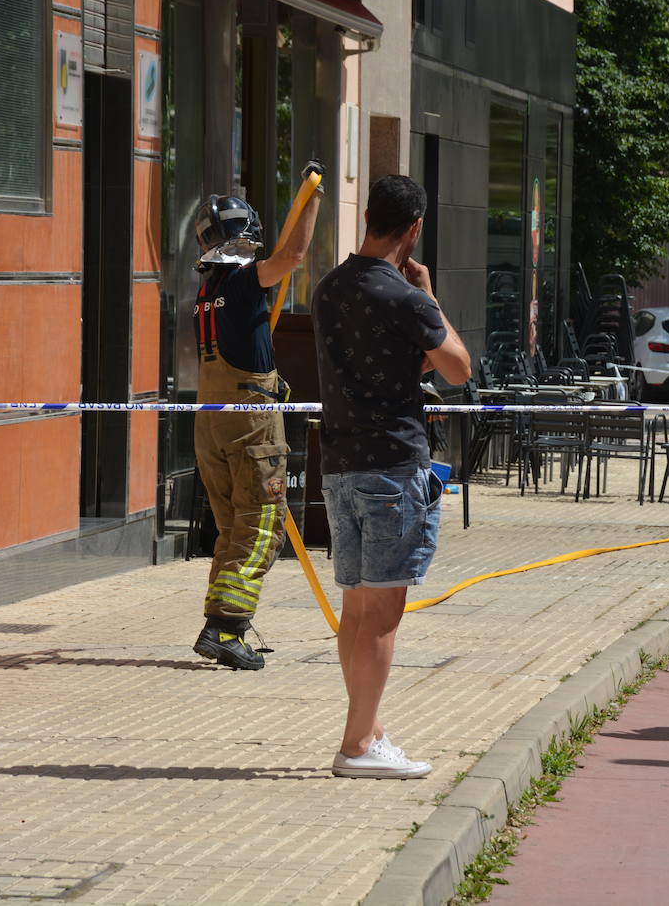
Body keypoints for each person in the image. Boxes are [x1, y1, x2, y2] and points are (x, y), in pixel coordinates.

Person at [313, 174, 471, 779]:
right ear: (414, 228)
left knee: (356, 610)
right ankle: (357, 746)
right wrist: (429, 296)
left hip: (341, 466)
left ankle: (369, 730)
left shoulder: (329, 288)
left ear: (369, 218)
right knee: (382, 615)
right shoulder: (405, 299)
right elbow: (457, 368)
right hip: (392, 465)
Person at [191, 162, 324, 671]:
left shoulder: (206, 291)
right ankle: (226, 628)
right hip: (249, 425)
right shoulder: (244, 281)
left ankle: (219, 625)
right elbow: (292, 256)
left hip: (212, 424)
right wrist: (314, 196)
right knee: (259, 526)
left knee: (232, 527)